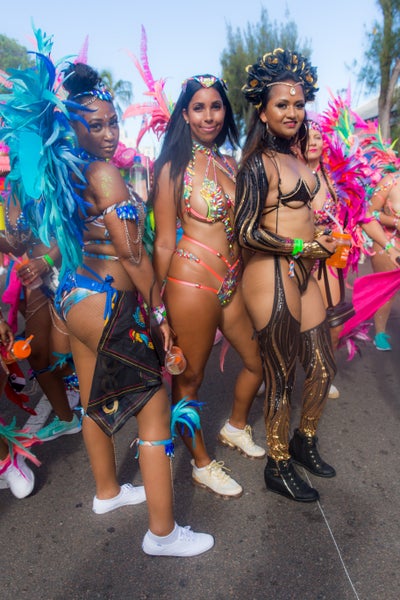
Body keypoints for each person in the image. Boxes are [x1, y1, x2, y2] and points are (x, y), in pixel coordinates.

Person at [54, 62, 213, 556]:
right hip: (108, 303)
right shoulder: (103, 173)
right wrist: (160, 315)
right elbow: (132, 254)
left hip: (75, 297)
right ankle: (162, 534)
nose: (108, 134)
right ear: (73, 126)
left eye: (112, 123)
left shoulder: (65, 170)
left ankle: (107, 492)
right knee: (155, 408)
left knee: (93, 400)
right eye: (95, 125)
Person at [151, 74, 265, 499]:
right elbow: (164, 241)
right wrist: (157, 307)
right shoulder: (171, 167)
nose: (209, 116)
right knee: (189, 380)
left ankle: (234, 426)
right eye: (198, 107)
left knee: (256, 361)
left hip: (231, 283)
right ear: (185, 114)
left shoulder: (229, 162)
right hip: (190, 283)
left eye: (216, 106)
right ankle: (201, 464)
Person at [235, 49, 339, 503]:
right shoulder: (257, 164)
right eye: (282, 104)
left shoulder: (298, 161)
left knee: (323, 366)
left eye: (298, 104)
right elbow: (245, 230)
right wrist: (303, 247)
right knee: (280, 375)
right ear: (263, 111)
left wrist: (322, 239)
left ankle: (303, 440)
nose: (292, 112)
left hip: (303, 271)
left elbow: (306, 213)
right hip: (270, 271)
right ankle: (277, 464)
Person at [305, 117, 400, 367]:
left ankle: (320, 374)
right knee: (292, 322)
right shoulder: (287, 175)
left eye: (317, 137)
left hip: (329, 260)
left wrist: (389, 247)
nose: (312, 142)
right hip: (295, 258)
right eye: (306, 137)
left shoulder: (338, 179)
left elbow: (363, 216)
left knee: (334, 326)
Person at [369, 172, 400, 350]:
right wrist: (395, 221)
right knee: (386, 292)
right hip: (388, 242)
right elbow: (369, 213)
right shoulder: (391, 181)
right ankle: (380, 333)